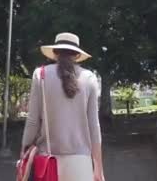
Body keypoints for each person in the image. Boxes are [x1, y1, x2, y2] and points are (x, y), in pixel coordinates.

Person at [21, 32, 104, 181]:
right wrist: (98, 168)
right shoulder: (90, 78)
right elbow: (94, 127)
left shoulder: (40, 75)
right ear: (77, 55)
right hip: (81, 165)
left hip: (47, 163)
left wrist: (24, 153)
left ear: (54, 53)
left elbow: (33, 121)